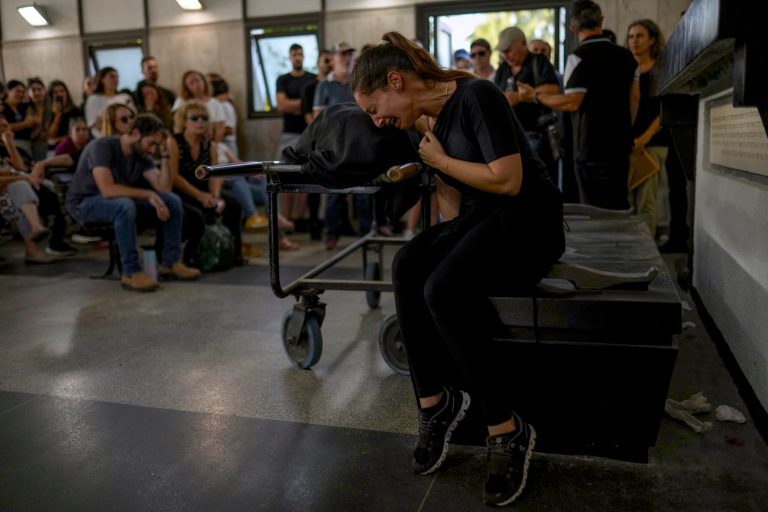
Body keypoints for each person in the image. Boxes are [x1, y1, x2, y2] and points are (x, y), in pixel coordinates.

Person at [351, 32, 564, 507]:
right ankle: (434, 403)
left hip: (530, 219)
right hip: (482, 217)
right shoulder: (421, 125)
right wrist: (451, 241)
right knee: (408, 264)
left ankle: (506, 428)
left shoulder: (477, 95)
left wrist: (440, 160)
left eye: (374, 107)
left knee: (443, 289)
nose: (377, 119)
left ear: (395, 80)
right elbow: (453, 203)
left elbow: (508, 181)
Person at [518, 0, 639, 210]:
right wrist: (626, 130)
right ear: (601, 19)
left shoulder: (578, 56)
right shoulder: (627, 56)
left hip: (591, 146)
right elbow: (634, 99)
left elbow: (572, 102)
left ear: (573, 28)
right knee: (619, 208)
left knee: (595, 213)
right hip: (621, 145)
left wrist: (535, 96)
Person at [65, 113, 201, 291]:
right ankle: (131, 272)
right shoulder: (102, 146)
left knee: (172, 201)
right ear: (136, 133)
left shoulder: (142, 155)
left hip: (116, 202)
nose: (153, 150)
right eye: (151, 143)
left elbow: (164, 188)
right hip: (85, 204)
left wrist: (166, 153)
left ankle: (170, 262)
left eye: (156, 145)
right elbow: (107, 189)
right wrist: (147, 194)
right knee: (124, 205)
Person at [314, 41, 372, 250]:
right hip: (333, 144)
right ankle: (331, 233)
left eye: (350, 54)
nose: (347, 58)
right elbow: (317, 116)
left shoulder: (359, 82)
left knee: (364, 192)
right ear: (334, 57)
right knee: (333, 191)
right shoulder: (325, 85)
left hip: (359, 143)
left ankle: (366, 234)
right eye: (343, 54)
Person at [493, 27, 561, 185]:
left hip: (536, 135)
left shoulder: (539, 61)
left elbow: (553, 89)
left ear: (522, 43)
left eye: (509, 50)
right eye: (503, 51)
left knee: (540, 185)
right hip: (510, 138)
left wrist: (521, 97)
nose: (506, 55)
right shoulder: (503, 69)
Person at [627, 19, 668, 237]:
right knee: (626, 203)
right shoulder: (626, 69)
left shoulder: (660, 70)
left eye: (640, 36)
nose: (634, 41)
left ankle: (646, 255)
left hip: (652, 143)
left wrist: (645, 136)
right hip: (628, 144)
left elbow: (665, 111)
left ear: (652, 39)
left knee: (646, 202)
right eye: (631, 36)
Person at [84, 67, 135, 138]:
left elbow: (133, 118)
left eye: (117, 77)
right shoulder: (93, 99)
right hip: (104, 138)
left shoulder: (125, 97)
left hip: (127, 136)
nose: (115, 79)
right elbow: (93, 125)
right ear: (102, 79)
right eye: (112, 76)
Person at [46, 80, 83, 147]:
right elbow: (49, 138)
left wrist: (57, 140)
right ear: (51, 96)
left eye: (62, 91)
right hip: (54, 149)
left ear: (67, 93)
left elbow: (80, 133)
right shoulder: (48, 113)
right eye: (56, 93)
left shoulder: (76, 111)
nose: (60, 94)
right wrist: (57, 115)